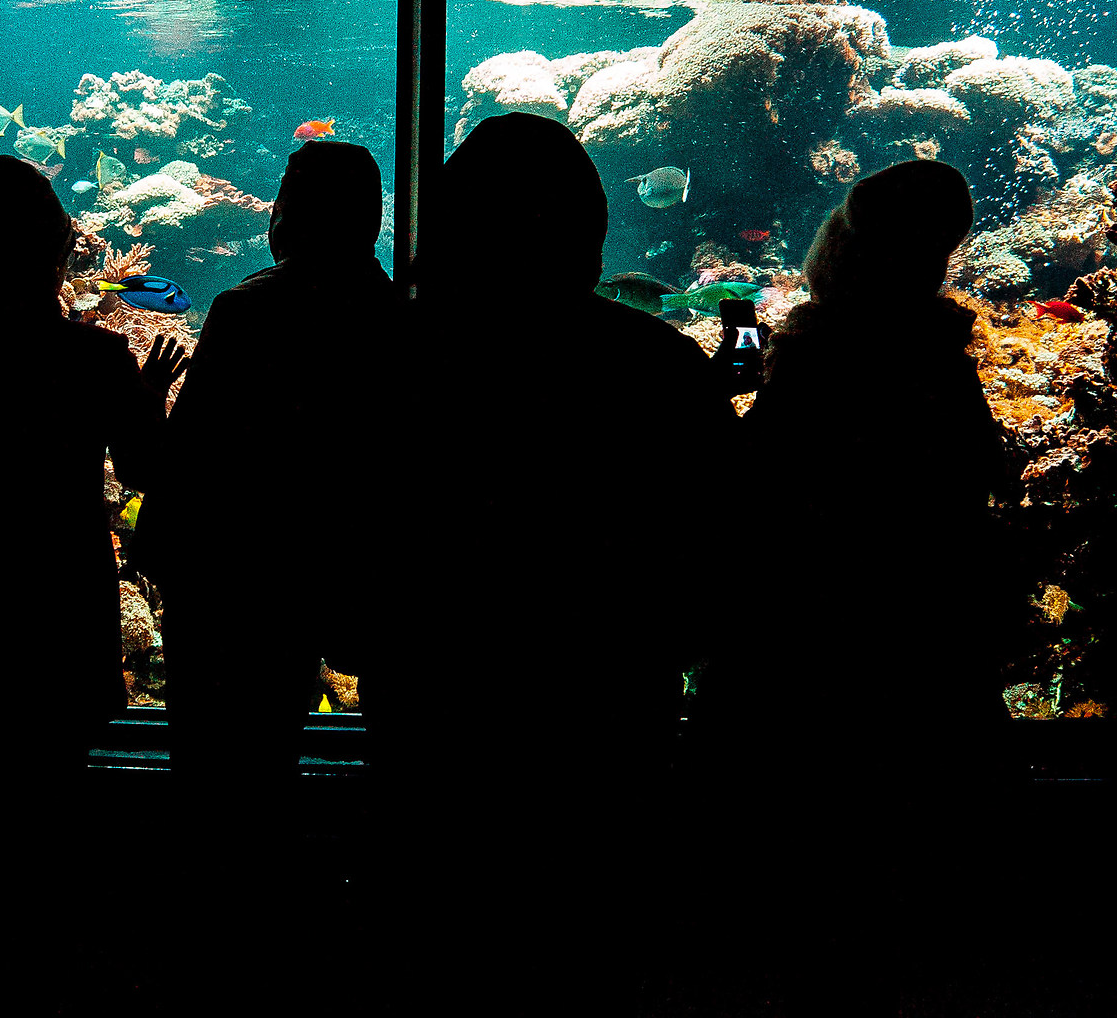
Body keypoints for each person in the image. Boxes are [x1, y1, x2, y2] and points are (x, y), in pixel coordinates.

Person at [373, 113, 738, 1012]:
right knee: (592, 939)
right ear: (590, 225)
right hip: (607, 702)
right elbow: (727, 546)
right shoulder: (659, 365)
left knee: (442, 931)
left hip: (433, 697)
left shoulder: (389, 359)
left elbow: (339, 528)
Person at [696, 158, 1021, 1016]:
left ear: (843, 242)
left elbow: (756, 483)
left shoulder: (823, 349)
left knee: (799, 858)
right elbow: (980, 472)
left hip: (803, 644)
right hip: (925, 643)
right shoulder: (933, 351)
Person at [139, 140, 400, 943]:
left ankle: (220, 937)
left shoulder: (248, 313)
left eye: (284, 193)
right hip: (341, 578)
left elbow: (189, 462)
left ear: (290, 213)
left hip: (238, 587)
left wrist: (144, 410)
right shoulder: (400, 320)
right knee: (289, 761)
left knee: (223, 785)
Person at [0, 154, 186, 806]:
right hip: (63, 608)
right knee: (56, 791)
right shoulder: (96, 357)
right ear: (59, 252)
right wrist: (151, 396)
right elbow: (142, 469)